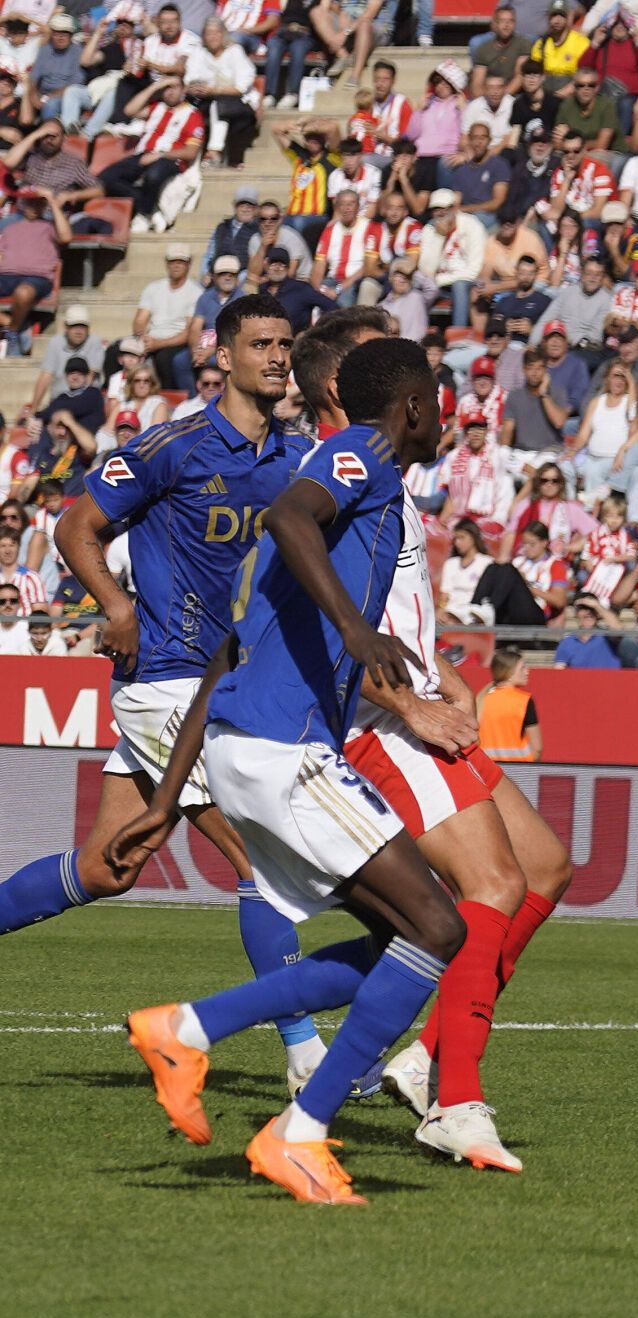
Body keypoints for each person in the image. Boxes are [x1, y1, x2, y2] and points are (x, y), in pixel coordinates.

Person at [110, 336, 465, 1205]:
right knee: (440, 927)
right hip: (285, 746)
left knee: (400, 937)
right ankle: (298, 1132)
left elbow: (229, 647)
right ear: (412, 406)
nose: (445, 411)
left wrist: (165, 799)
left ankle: (188, 1027)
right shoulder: (364, 452)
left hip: (240, 738)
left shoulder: (345, 497)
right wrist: (351, 628)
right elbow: (289, 517)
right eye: (438, 396)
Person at [0, 295, 327, 1091]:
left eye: (286, 344)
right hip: (168, 681)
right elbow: (78, 526)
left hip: (233, 683)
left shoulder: (298, 456)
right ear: (223, 357)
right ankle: (308, 1055)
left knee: (108, 867)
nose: (278, 357)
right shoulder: (171, 446)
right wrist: (116, 606)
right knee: (262, 859)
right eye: (261, 344)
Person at [285, 307, 573, 1171]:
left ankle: (426, 1058)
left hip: (412, 696)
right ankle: (453, 1092)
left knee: (545, 869)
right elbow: (322, 608)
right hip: (383, 717)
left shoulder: (378, 469)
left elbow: (380, 599)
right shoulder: (340, 466)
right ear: (352, 387)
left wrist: (434, 662)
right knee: (485, 886)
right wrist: (404, 703)